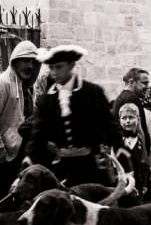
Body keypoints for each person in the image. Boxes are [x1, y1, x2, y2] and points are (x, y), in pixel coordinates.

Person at [21, 45, 114, 186]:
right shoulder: (46, 100)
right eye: (51, 68)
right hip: (62, 169)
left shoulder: (93, 93)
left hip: (91, 168)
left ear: (71, 65)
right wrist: (29, 159)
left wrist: (125, 163)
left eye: (59, 67)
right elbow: (38, 136)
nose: (54, 72)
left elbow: (111, 128)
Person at [0, 40, 39, 211]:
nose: (30, 66)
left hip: (13, 158)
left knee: (9, 206)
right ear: (15, 61)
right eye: (25, 60)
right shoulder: (1, 83)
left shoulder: (28, 89)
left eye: (33, 62)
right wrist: (0, 152)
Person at [114, 102, 151, 194]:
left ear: (138, 119)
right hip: (125, 185)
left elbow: (144, 161)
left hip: (139, 185)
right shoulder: (118, 141)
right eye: (124, 118)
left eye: (131, 117)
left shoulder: (140, 139)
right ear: (119, 121)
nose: (127, 121)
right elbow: (116, 164)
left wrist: (144, 183)